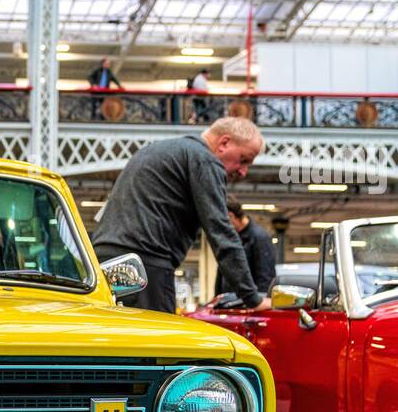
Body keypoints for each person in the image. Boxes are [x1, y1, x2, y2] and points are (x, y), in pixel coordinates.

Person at [94, 117, 272, 314]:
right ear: (224, 143)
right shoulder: (205, 159)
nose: (244, 172)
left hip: (104, 261)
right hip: (145, 268)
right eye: (244, 160)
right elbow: (221, 232)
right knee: (156, 341)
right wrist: (252, 298)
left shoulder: (159, 150)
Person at [214, 201, 278, 299]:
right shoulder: (231, 238)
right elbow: (222, 272)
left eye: (222, 221)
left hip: (248, 305)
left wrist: (259, 304)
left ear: (230, 216)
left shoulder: (259, 238)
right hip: (230, 303)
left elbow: (265, 278)